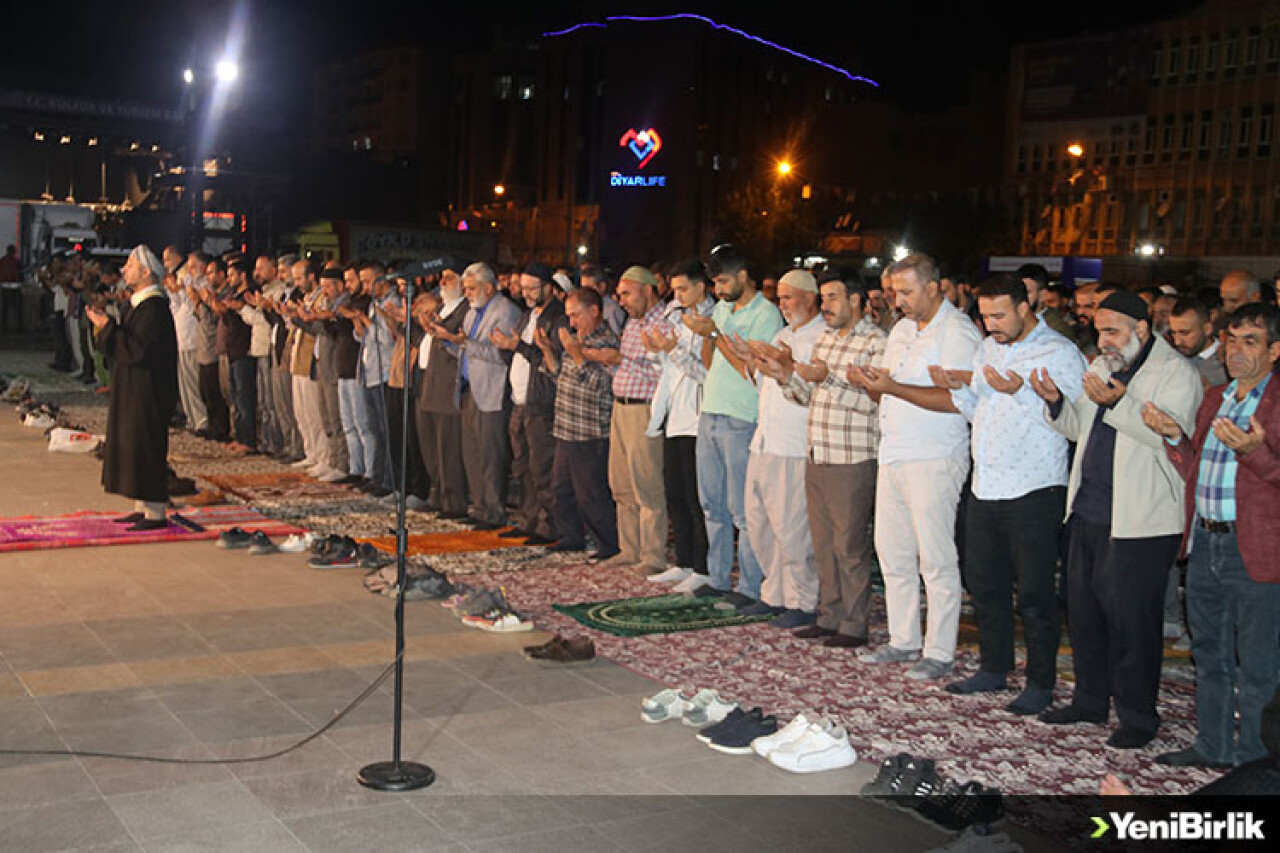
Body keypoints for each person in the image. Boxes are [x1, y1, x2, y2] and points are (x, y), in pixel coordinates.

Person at [1033, 290, 1203, 749]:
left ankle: (1138, 717)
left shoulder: (1177, 374)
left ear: (1142, 329)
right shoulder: (1103, 366)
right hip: (1089, 509)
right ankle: (1089, 700)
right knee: (1084, 613)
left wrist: (1115, 403)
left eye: (1113, 331)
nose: (1103, 341)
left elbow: (1169, 436)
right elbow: (1080, 429)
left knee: (1132, 622)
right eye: (1100, 331)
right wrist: (1055, 404)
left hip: (1142, 520)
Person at [931, 274, 1086, 709]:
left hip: (1035, 486)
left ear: (1025, 307)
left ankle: (1040, 684)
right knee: (985, 585)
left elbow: (1075, 418)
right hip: (987, 484)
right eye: (985, 316)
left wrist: (1023, 393)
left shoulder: (1060, 353)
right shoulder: (989, 347)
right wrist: (956, 385)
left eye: (999, 315)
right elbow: (979, 404)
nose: (991, 324)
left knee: (1035, 593)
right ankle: (993, 668)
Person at [1146, 303, 1280, 768]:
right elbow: (1195, 469)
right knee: (1210, 654)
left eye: (1251, 341)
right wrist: (1174, 439)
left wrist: (1256, 453)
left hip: (1258, 548)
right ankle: (1212, 745)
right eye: (1231, 340)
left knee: (1259, 664)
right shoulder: (1215, 397)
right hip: (1206, 542)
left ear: (1275, 350)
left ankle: (1255, 759)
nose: (1236, 350)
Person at [854, 253, 982, 674]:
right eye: (894, 292)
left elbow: (958, 401)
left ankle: (939, 651)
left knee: (936, 557)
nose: (899, 300)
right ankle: (903, 638)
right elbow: (887, 390)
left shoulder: (959, 332)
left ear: (934, 288)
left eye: (907, 292)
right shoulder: (902, 329)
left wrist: (892, 386)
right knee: (892, 552)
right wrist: (873, 384)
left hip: (934, 455)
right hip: (893, 451)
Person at [775, 270, 886, 646]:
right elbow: (809, 396)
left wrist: (829, 379)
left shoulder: (875, 341)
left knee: (850, 547)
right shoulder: (824, 338)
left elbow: (873, 403)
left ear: (855, 300)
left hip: (852, 457)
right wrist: (786, 375)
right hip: (818, 451)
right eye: (823, 298)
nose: (825, 306)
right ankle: (829, 614)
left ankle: (854, 625)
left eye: (833, 297)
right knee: (822, 544)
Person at [684, 244, 785, 605]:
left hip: (742, 415)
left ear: (743, 276)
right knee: (712, 504)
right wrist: (705, 336)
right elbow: (713, 362)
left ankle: (750, 585)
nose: (718, 290)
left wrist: (713, 334)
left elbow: (750, 370)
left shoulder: (767, 315)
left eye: (724, 281)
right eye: (715, 283)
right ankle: (718, 576)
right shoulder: (723, 309)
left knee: (744, 509)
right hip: (711, 409)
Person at [734, 269, 826, 621]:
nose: (783, 304)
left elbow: (814, 389)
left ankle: (801, 600)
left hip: (793, 444)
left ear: (809, 297)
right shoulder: (781, 333)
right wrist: (748, 359)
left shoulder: (822, 337)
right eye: (781, 298)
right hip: (764, 441)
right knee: (760, 523)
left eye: (789, 297)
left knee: (792, 529)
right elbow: (766, 385)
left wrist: (785, 365)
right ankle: (773, 593)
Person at [84, 246, 178, 531]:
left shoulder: (155, 307)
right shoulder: (141, 305)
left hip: (148, 390)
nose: (124, 269)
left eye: (129, 264)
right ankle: (143, 505)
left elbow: (139, 349)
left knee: (146, 444)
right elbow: (128, 342)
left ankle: (156, 512)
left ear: (146, 271)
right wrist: (106, 327)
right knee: (133, 442)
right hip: (134, 387)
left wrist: (108, 327)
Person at [644, 259, 714, 590]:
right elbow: (667, 368)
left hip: (698, 418)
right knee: (675, 493)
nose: (678, 295)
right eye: (674, 290)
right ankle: (684, 561)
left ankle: (703, 567)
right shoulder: (676, 315)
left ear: (703, 286)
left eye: (684, 288)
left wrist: (673, 351)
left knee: (696, 497)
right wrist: (658, 350)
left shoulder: (713, 320)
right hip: (674, 415)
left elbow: (706, 374)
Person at [490, 263, 566, 545]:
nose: (527, 294)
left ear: (549, 286)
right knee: (522, 467)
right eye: (523, 289)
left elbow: (551, 362)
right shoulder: (526, 315)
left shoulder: (558, 318)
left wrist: (517, 347)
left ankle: (548, 527)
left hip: (541, 402)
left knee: (542, 468)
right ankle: (527, 519)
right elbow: (518, 354)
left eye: (533, 288)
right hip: (519, 400)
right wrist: (505, 347)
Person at [545, 287, 621, 559]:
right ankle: (571, 537)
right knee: (561, 489)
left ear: (594, 311)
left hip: (589, 431)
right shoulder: (578, 338)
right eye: (569, 317)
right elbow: (561, 376)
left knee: (591, 493)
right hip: (566, 426)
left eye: (576, 315)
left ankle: (609, 546)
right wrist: (547, 351)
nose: (572, 322)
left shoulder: (606, 341)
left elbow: (600, 386)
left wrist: (577, 355)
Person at [446, 262, 521, 529]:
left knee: (492, 454)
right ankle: (479, 507)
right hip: (469, 389)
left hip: (492, 391)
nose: (466, 294)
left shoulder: (507, 311)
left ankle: (494, 510)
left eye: (471, 288)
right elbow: (468, 349)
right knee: (473, 453)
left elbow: (500, 355)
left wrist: (463, 343)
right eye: (465, 289)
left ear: (488, 288)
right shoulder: (471, 312)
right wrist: (449, 342)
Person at [604, 265, 668, 572]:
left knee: (648, 484)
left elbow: (664, 372)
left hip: (645, 410)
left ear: (646, 289)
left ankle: (653, 555)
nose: (622, 301)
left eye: (627, 294)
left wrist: (621, 360)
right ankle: (628, 548)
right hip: (621, 407)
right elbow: (626, 367)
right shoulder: (631, 323)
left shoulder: (666, 322)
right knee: (621, 483)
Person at [1169, 296, 1228, 388]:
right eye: (1173, 333)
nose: (1177, 341)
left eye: (1185, 333)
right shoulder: (1172, 358)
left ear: (1207, 329)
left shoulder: (1227, 363)